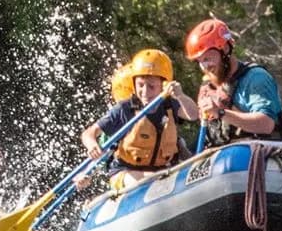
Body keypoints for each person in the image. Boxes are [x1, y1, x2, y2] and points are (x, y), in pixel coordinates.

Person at [79, 48, 200, 190]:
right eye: (140, 85)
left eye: (152, 86)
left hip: (164, 170)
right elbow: (89, 133)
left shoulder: (170, 103)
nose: (145, 92)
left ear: (163, 85)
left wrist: (181, 96)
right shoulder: (124, 109)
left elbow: (193, 115)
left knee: (162, 177)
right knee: (154, 180)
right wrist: (92, 144)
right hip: (126, 173)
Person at [184, 17, 282, 149]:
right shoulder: (208, 87)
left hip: (259, 156)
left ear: (225, 50)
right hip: (223, 158)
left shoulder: (256, 77)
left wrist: (221, 112)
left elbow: (266, 124)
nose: (204, 66)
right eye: (199, 61)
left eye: (208, 58)